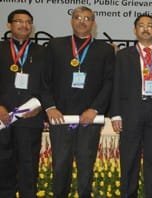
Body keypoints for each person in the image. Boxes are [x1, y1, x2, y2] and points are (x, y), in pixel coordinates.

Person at [42, 6, 115, 197]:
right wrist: (50, 107)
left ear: (93, 23)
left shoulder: (105, 49)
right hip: (60, 117)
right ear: (71, 20)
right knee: (59, 166)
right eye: (78, 17)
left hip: (89, 119)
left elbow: (109, 83)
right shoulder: (55, 45)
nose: (82, 21)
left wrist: (95, 109)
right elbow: (44, 80)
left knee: (86, 166)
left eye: (87, 18)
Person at [109, 14, 152, 198]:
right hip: (130, 112)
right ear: (135, 30)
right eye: (141, 25)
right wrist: (115, 114)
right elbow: (116, 85)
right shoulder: (123, 55)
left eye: (150, 25)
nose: (145, 28)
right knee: (129, 159)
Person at [0, 9, 48, 197]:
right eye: (19, 21)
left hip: (30, 118)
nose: (24, 25)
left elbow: (48, 84)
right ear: (8, 25)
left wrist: (40, 106)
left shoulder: (43, 52)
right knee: (3, 163)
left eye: (28, 22)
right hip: (2, 117)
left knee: (29, 165)